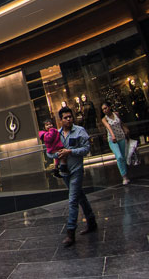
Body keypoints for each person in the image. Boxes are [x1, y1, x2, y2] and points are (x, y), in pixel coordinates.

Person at [48, 106, 97, 247]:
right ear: (61, 120)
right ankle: (91, 221)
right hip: (65, 173)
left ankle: (70, 232)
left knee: (73, 200)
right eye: (65, 117)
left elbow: (86, 148)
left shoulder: (80, 131)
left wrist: (71, 152)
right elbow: (49, 152)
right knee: (80, 196)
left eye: (70, 117)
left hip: (76, 170)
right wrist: (58, 154)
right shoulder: (56, 134)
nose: (69, 119)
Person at [101, 100, 130, 185]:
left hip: (121, 137)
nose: (104, 110)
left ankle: (126, 174)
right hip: (112, 140)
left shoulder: (116, 114)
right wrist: (113, 135)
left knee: (123, 157)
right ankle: (124, 176)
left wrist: (125, 130)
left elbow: (121, 124)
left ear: (109, 107)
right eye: (103, 109)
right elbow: (108, 127)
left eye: (105, 108)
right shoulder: (104, 119)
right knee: (119, 157)